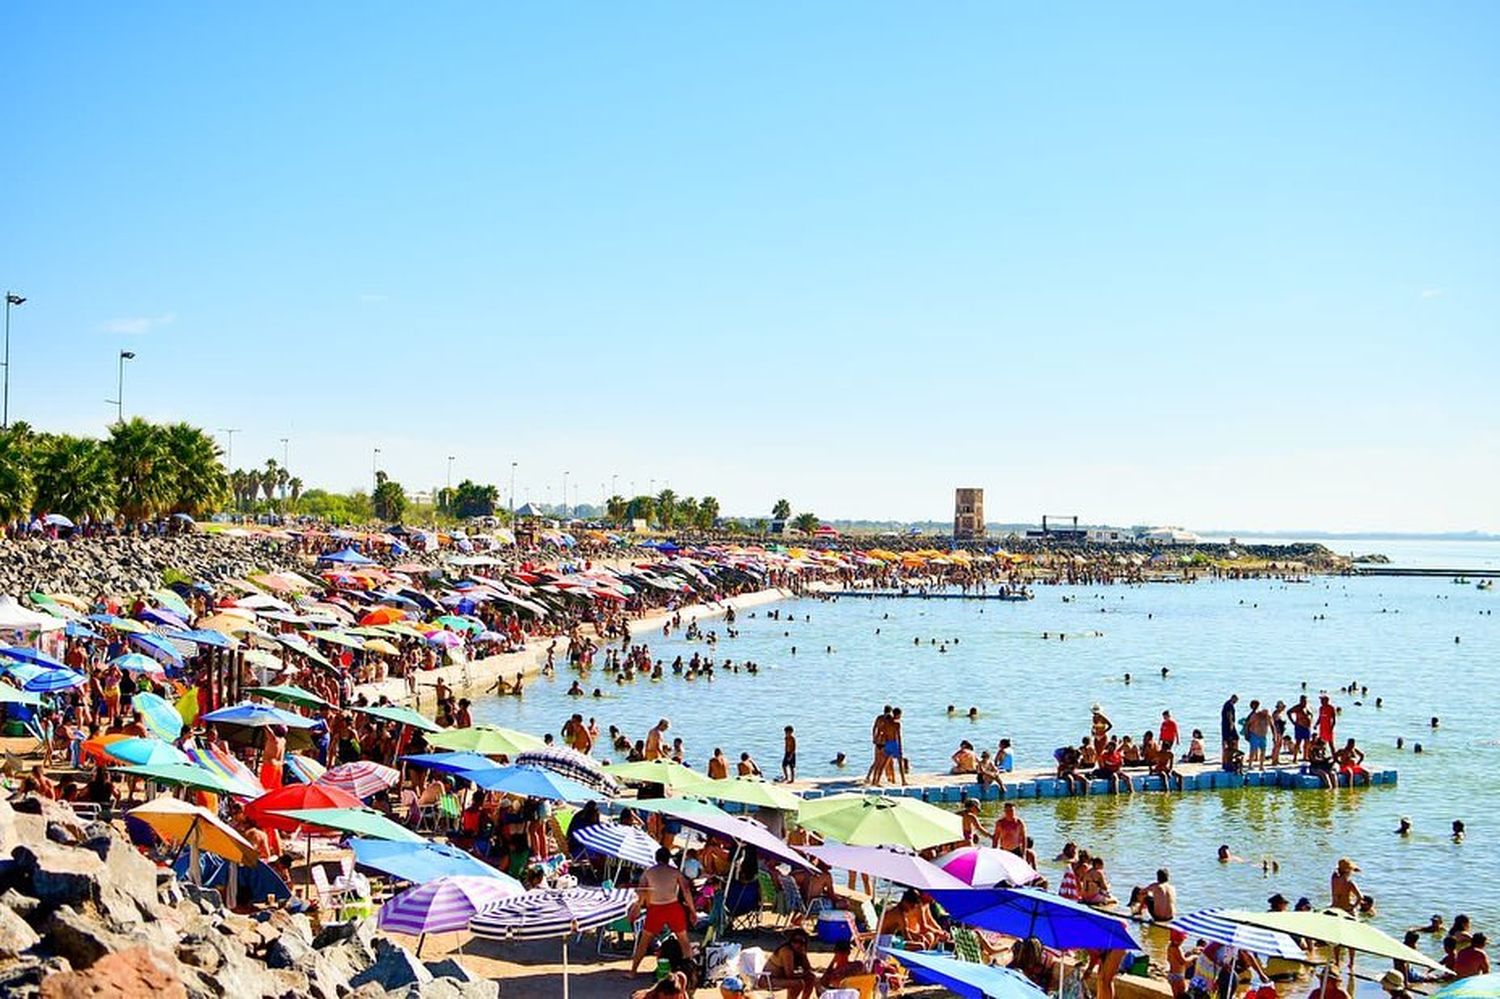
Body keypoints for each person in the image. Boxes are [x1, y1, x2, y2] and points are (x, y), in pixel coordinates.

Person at [629, 847, 696, 974]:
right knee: (684, 941)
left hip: (656, 908)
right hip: (672, 906)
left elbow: (642, 892)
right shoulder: (675, 872)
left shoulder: (648, 872)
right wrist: (693, 910)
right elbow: (686, 891)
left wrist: (637, 907)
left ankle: (633, 971)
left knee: (644, 941)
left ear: (656, 858)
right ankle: (689, 972)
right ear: (668, 859)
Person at [763, 928, 819, 999]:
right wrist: (803, 974)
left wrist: (803, 954)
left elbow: (807, 968)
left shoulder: (799, 952)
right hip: (769, 979)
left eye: (801, 942)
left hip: (781, 978)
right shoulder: (786, 951)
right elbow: (790, 974)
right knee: (798, 983)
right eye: (795, 941)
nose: (797, 944)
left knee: (810, 978)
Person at [1220, 694, 1240, 768]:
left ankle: (1226, 760)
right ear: (1233, 699)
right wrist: (1231, 724)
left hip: (1225, 725)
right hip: (1228, 726)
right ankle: (1234, 757)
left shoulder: (1227, 704)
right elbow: (1229, 715)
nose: (1236, 702)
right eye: (1236, 700)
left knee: (1227, 742)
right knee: (1233, 740)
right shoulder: (1229, 705)